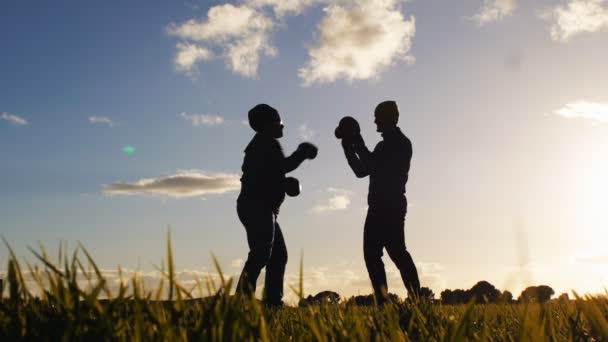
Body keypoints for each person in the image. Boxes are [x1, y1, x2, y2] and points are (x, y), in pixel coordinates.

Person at [236, 103, 317, 306]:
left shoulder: (262, 144)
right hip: (257, 208)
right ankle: (242, 303)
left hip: (261, 208)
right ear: (267, 124)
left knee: (277, 256)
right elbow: (282, 167)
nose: (282, 126)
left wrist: (284, 184)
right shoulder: (265, 143)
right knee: (261, 255)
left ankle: (272, 303)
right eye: (279, 121)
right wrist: (302, 152)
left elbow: (268, 174)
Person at [340, 100, 420, 303]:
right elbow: (361, 171)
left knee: (396, 253)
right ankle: (383, 302)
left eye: (378, 116)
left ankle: (416, 299)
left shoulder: (400, 143)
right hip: (378, 206)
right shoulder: (384, 145)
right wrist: (348, 149)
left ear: (390, 118)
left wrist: (357, 141)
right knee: (375, 254)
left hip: (390, 205)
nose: (374, 120)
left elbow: (372, 164)